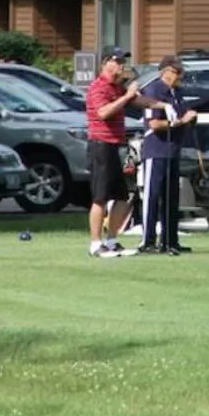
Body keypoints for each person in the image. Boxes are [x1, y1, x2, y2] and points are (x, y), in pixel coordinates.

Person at [138, 56, 198, 255]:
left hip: (173, 150)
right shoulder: (154, 91)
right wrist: (180, 121)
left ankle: (170, 240)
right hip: (157, 150)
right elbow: (155, 124)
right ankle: (148, 241)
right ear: (166, 72)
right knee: (153, 196)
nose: (180, 77)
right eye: (177, 72)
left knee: (172, 197)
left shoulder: (177, 92)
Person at [85, 47, 141, 259]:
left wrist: (162, 105)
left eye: (122, 61)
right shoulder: (99, 88)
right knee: (100, 198)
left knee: (122, 197)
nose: (121, 65)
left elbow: (136, 101)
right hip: (101, 145)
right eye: (116, 61)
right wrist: (127, 96)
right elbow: (103, 112)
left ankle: (112, 240)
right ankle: (96, 244)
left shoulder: (117, 88)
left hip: (116, 145)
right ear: (105, 63)